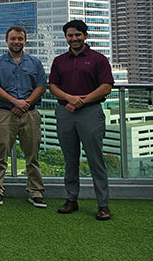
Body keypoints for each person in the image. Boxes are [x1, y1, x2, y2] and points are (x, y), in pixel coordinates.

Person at [49, 19, 114, 221]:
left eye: (78, 35)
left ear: (86, 36)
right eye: (70, 35)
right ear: (66, 38)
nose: (74, 38)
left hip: (90, 113)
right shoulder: (59, 61)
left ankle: (103, 205)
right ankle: (71, 199)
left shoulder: (98, 59)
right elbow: (53, 86)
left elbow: (106, 87)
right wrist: (70, 99)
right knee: (70, 160)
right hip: (65, 113)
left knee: (96, 159)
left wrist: (80, 101)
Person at [0, 26, 48, 208]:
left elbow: (42, 85)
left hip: (30, 114)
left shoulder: (35, 62)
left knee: (32, 154)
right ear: (6, 40)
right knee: (1, 152)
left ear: (25, 41)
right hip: (5, 113)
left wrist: (25, 103)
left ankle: (36, 191)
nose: (16, 42)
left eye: (20, 39)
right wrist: (15, 102)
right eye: (13, 38)